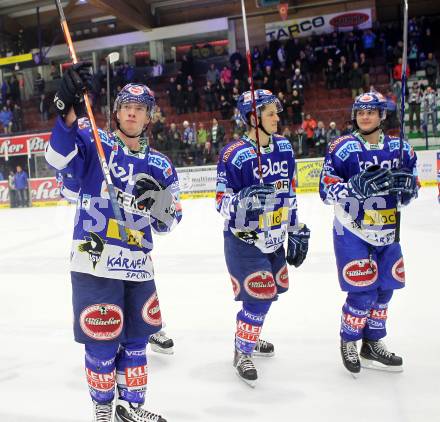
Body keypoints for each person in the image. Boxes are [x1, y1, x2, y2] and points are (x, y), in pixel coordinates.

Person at [45, 63, 182, 422]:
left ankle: (130, 406)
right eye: (126, 106)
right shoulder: (96, 140)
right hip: (95, 261)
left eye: (139, 108)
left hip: (138, 265)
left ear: (149, 116)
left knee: (137, 340)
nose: (132, 112)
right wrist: (66, 113)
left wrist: (160, 203)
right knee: (102, 340)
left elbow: (170, 222)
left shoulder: (161, 165)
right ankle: (103, 407)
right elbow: (58, 160)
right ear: (116, 111)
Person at [216, 89, 310, 387]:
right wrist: (242, 200)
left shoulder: (284, 147)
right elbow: (221, 202)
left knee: (271, 294)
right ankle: (242, 351)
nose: (277, 118)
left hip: (275, 237)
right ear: (253, 117)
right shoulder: (233, 154)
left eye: (276, 112)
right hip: (244, 239)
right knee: (259, 298)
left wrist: (295, 228)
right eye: (270, 113)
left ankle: (250, 337)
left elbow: (289, 193)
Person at [319, 92, 419, 375]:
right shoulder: (341, 147)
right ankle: (349, 340)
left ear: (381, 116)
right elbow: (325, 189)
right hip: (351, 228)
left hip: (387, 229)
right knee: (362, 292)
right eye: (360, 112)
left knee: (386, 289)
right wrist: (352, 188)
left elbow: (410, 188)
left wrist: (408, 189)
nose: (365, 116)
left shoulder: (401, 148)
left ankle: (372, 342)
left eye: (371, 112)